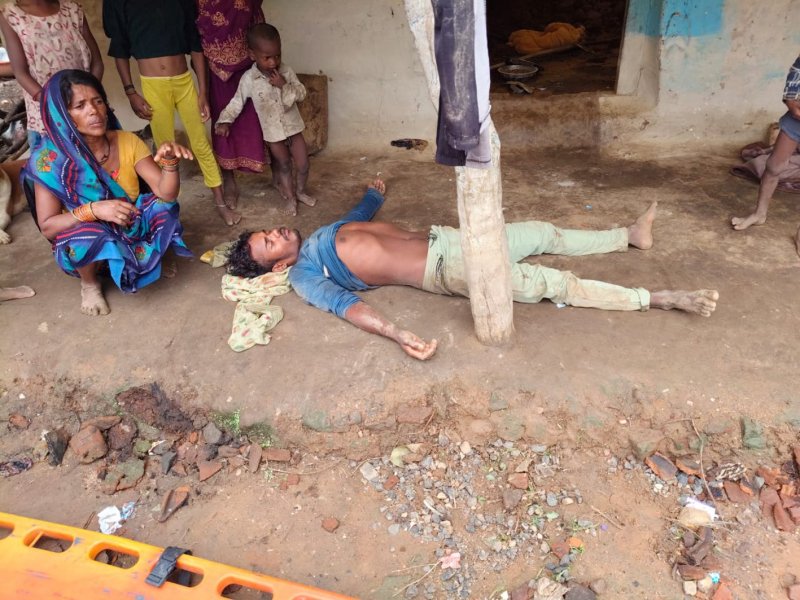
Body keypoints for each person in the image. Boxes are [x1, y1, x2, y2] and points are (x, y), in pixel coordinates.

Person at [226, 179, 720, 360]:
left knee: (543, 233)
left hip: (450, 238)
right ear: (279, 264)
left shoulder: (317, 235)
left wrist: (372, 196)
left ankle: (628, 236)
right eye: (270, 243)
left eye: (269, 231)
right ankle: (655, 299)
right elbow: (344, 305)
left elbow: (357, 220)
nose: (276, 232)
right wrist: (395, 332)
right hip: (446, 269)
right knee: (554, 284)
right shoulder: (304, 276)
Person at [22, 69, 194, 316]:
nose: (94, 111)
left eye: (98, 101)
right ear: (61, 116)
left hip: (129, 223)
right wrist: (93, 210)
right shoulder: (49, 161)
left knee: (163, 208)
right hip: (92, 242)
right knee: (84, 235)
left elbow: (166, 194)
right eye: (80, 106)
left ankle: (147, 259)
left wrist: (170, 164)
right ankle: (90, 283)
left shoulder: (126, 141)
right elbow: (48, 226)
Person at [102, 0, 238, 226]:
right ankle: (169, 212)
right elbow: (120, 50)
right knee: (164, 150)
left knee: (201, 144)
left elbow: (196, 47)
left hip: (184, 83)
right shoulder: (120, 3)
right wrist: (130, 92)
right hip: (153, 87)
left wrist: (203, 92)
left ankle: (220, 203)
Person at [215, 23, 315, 216]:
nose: (273, 62)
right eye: (267, 57)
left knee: (303, 164)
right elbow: (237, 102)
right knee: (284, 166)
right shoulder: (249, 79)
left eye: (277, 55)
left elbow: (302, 93)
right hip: (273, 133)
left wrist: (283, 85)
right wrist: (225, 120)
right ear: (252, 55)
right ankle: (290, 198)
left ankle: (301, 192)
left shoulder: (286, 71)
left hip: (293, 128)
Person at [0, 0, 103, 151]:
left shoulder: (72, 9)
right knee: (54, 164)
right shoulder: (10, 14)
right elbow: (21, 72)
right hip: (48, 118)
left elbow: (97, 62)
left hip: (87, 113)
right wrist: (56, 106)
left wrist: (87, 99)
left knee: (102, 159)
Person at [196, 0, 268, 210]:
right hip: (213, 59)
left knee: (258, 117)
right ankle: (229, 180)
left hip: (248, 49)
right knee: (222, 122)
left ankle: (278, 174)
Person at [732, 53, 800, 254]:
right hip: (797, 120)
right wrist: (791, 100)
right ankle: (759, 214)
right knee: (773, 167)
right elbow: (796, 72)